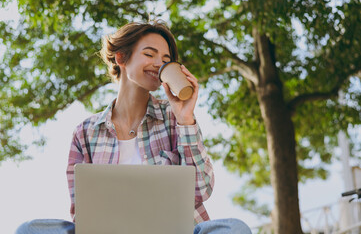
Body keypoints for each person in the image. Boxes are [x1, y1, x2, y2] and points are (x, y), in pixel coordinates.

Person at [16, 20, 252, 234]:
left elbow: (201, 191)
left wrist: (185, 118)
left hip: (174, 231)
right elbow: (82, 214)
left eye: (166, 61)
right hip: (110, 231)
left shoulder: (175, 119)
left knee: (235, 229)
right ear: (121, 58)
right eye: (150, 54)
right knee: (29, 230)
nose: (159, 64)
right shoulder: (85, 132)